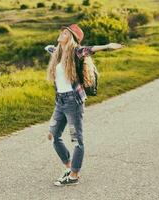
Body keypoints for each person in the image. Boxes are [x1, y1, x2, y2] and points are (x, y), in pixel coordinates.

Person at [44, 24, 124, 186]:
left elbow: (89, 49)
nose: (61, 34)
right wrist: (52, 47)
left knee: (76, 140)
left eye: (65, 33)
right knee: (53, 135)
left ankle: (74, 175)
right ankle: (68, 166)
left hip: (73, 101)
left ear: (71, 38)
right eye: (61, 32)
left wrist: (108, 46)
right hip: (60, 101)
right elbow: (50, 48)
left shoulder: (76, 52)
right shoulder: (58, 52)